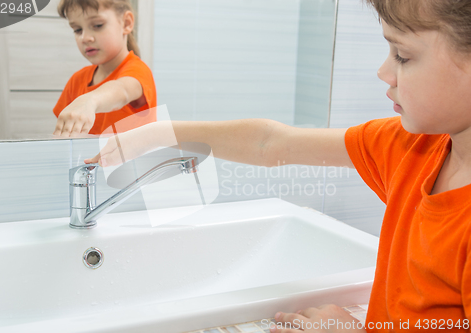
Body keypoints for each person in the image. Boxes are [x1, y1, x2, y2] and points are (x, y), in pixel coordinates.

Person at [85, 0, 471, 331]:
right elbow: (271, 143)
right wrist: (157, 132)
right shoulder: (411, 147)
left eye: (403, 56)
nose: (384, 72)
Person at [52, 0, 157, 137]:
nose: (85, 38)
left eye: (97, 25)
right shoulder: (76, 81)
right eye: (78, 30)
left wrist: (90, 100)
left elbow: (122, 90)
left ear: (126, 23)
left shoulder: (138, 71)